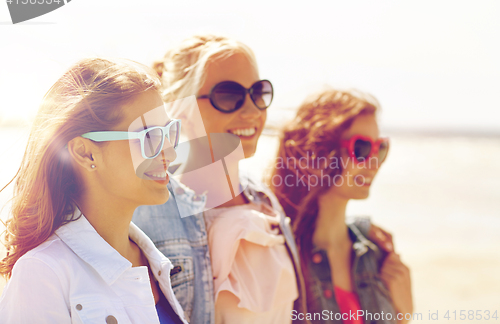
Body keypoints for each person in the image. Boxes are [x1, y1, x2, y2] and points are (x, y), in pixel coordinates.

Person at [133, 35, 396, 324]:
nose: (252, 111)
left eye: (258, 93)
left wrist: (362, 229)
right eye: (229, 96)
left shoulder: (262, 199)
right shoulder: (152, 210)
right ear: (180, 107)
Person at [0, 58, 188, 324]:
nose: (169, 151)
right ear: (86, 152)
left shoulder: (154, 261)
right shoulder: (43, 274)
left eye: (169, 132)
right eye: (148, 136)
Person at [269, 89, 413, 324]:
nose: (374, 163)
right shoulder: (278, 255)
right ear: (319, 152)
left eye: (381, 148)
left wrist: (403, 317)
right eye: (362, 149)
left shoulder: (378, 257)